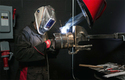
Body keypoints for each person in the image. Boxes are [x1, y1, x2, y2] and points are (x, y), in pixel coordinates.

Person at [14, 5, 57, 80]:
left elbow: (46, 55)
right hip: (28, 76)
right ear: (39, 19)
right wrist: (45, 45)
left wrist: (53, 48)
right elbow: (20, 54)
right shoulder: (25, 33)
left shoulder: (44, 34)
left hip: (42, 74)